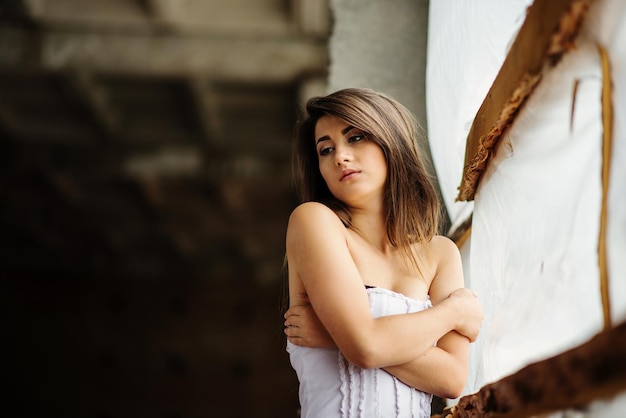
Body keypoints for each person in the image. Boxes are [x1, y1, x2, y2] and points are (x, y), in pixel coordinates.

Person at [283, 87, 483, 418]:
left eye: (356, 137)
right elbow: (365, 348)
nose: (340, 157)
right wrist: (455, 312)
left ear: (390, 141)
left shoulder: (440, 254)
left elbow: (451, 380)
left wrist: (336, 336)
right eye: (325, 149)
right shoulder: (314, 222)